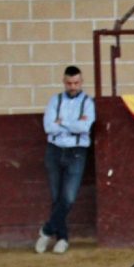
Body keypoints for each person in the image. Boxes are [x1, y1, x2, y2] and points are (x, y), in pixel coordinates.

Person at [35, 65, 94, 254]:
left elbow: (84, 127)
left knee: (68, 197)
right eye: (69, 83)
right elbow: (49, 127)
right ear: (64, 82)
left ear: (81, 82)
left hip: (76, 151)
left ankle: (46, 231)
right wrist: (72, 125)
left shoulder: (88, 102)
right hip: (55, 150)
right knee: (57, 198)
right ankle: (62, 238)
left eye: (76, 83)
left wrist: (62, 123)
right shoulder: (55, 100)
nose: (73, 86)